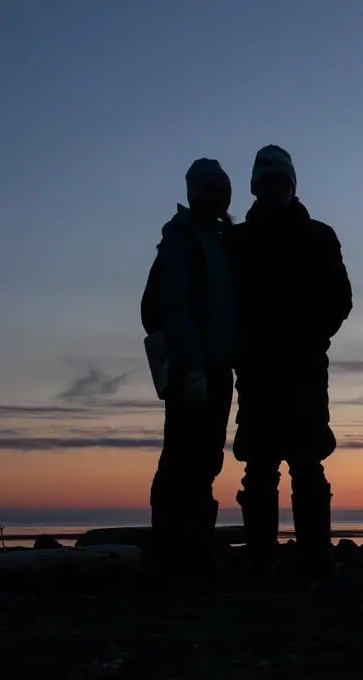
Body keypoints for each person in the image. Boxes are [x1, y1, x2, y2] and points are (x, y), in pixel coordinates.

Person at [232, 145, 352, 579]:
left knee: (307, 464)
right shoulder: (239, 241)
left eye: (280, 183)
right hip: (257, 371)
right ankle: (261, 561)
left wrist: (310, 335)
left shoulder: (319, 236)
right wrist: (242, 345)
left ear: (292, 185)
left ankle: (316, 561)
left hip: (303, 370)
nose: (273, 190)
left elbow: (340, 299)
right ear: (256, 188)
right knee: (259, 467)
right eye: (265, 184)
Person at [142, 158, 239, 575]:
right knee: (182, 456)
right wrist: (192, 365)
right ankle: (170, 548)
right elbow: (174, 306)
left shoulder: (223, 238)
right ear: (193, 195)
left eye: (221, 191)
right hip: (190, 368)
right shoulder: (182, 239)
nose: (215, 198)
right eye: (207, 191)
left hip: (218, 367)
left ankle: (196, 547)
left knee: (206, 459)